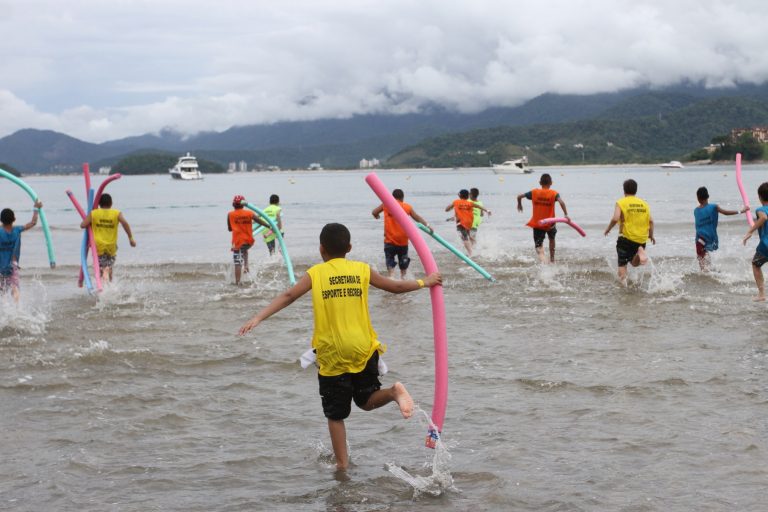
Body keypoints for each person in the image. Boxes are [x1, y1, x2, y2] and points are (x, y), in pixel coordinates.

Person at [238, 223, 442, 471]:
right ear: (349, 248)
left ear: (321, 249)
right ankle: (393, 392)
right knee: (366, 400)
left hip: (332, 353)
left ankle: (342, 465)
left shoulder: (316, 273)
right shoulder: (362, 269)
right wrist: (425, 281)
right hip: (364, 347)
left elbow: (289, 296)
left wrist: (258, 317)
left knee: (336, 415)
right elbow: (396, 288)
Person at [604, 179, 655, 285]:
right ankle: (640, 252)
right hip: (641, 239)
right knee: (634, 262)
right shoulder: (644, 203)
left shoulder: (621, 202)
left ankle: (624, 287)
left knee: (622, 264)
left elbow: (615, 218)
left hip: (626, 238)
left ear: (624, 190)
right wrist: (651, 235)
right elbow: (651, 221)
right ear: (636, 190)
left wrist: (608, 229)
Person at [371, 189, 431, 278]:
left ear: (392, 197)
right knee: (403, 267)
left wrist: (377, 216)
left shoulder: (386, 205)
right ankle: (403, 280)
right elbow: (417, 217)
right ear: (402, 198)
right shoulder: (407, 207)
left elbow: (374, 212)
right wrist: (428, 225)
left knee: (390, 263)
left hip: (389, 241)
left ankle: (391, 277)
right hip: (403, 242)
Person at [80, 193, 136, 283]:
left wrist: (91, 221)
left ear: (99, 204)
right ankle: (110, 284)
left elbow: (82, 225)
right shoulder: (116, 213)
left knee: (101, 268)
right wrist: (130, 238)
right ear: (111, 203)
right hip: (111, 246)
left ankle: (103, 285)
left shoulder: (94, 213)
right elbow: (125, 223)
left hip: (98, 246)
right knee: (109, 266)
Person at [516, 174, 568, 263]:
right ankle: (552, 260)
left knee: (538, 246)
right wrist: (566, 215)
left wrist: (519, 204)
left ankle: (544, 260)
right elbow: (561, 202)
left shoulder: (534, 192)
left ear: (540, 183)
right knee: (552, 239)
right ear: (551, 183)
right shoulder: (554, 193)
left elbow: (519, 196)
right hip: (550, 223)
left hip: (538, 224)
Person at [694, 186, 748, 271]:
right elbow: (726, 213)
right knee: (705, 257)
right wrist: (741, 211)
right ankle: (709, 273)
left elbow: (697, 226)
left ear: (698, 198)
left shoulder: (696, 210)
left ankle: (706, 274)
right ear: (708, 196)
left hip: (700, 239)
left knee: (701, 258)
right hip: (709, 238)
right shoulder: (713, 207)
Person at [0, 201, 42, 302]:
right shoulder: (17, 230)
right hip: (13, 266)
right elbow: (33, 223)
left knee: (1, 290)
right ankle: (17, 307)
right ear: (14, 219)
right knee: (14, 287)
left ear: (1, 220)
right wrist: (36, 209)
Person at [227, 194, 269, 285]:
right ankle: (246, 266)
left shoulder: (230, 214)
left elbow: (230, 229)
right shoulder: (249, 213)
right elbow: (259, 221)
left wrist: (237, 223)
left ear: (233, 204)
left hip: (238, 242)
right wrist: (268, 225)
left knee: (237, 263)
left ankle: (237, 283)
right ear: (243, 205)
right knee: (244, 250)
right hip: (249, 241)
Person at [742, 182, 768, 301]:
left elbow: (763, 218)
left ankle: (762, 294)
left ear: (760, 197)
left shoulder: (760, 209)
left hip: (766, 245)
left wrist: (750, 231)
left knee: (756, 265)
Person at [445, 189, 490, 256]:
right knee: (469, 237)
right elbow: (479, 207)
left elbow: (446, 209)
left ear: (459, 195)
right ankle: (477, 248)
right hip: (470, 223)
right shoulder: (470, 203)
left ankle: (470, 253)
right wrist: (487, 210)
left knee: (464, 238)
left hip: (461, 222)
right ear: (468, 196)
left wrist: (451, 207)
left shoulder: (456, 202)